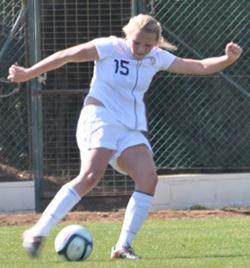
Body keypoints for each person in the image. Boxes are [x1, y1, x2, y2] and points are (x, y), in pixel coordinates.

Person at [8, 14, 242, 260]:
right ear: (127, 35)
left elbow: (200, 66)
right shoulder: (110, 47)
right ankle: (37, 232)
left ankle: (122, 246)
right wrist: (28, 73)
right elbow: (66, 55)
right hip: (100, 117)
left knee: (148, 178)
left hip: (129, 128)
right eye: (137, 42)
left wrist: (228, 59)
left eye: (148, 44)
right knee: (90, 176)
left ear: (156, 43)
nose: (141, 49)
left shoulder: (156, 57)